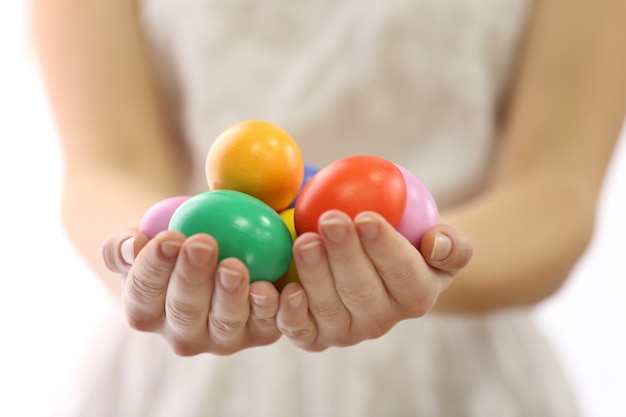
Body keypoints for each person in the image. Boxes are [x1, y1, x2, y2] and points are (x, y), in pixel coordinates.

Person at [33, 0, 626, 415]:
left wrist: (422, 263)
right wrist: (149, 259)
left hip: (457, 380)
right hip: (188, 350)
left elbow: (557, 190)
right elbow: (109, 165)